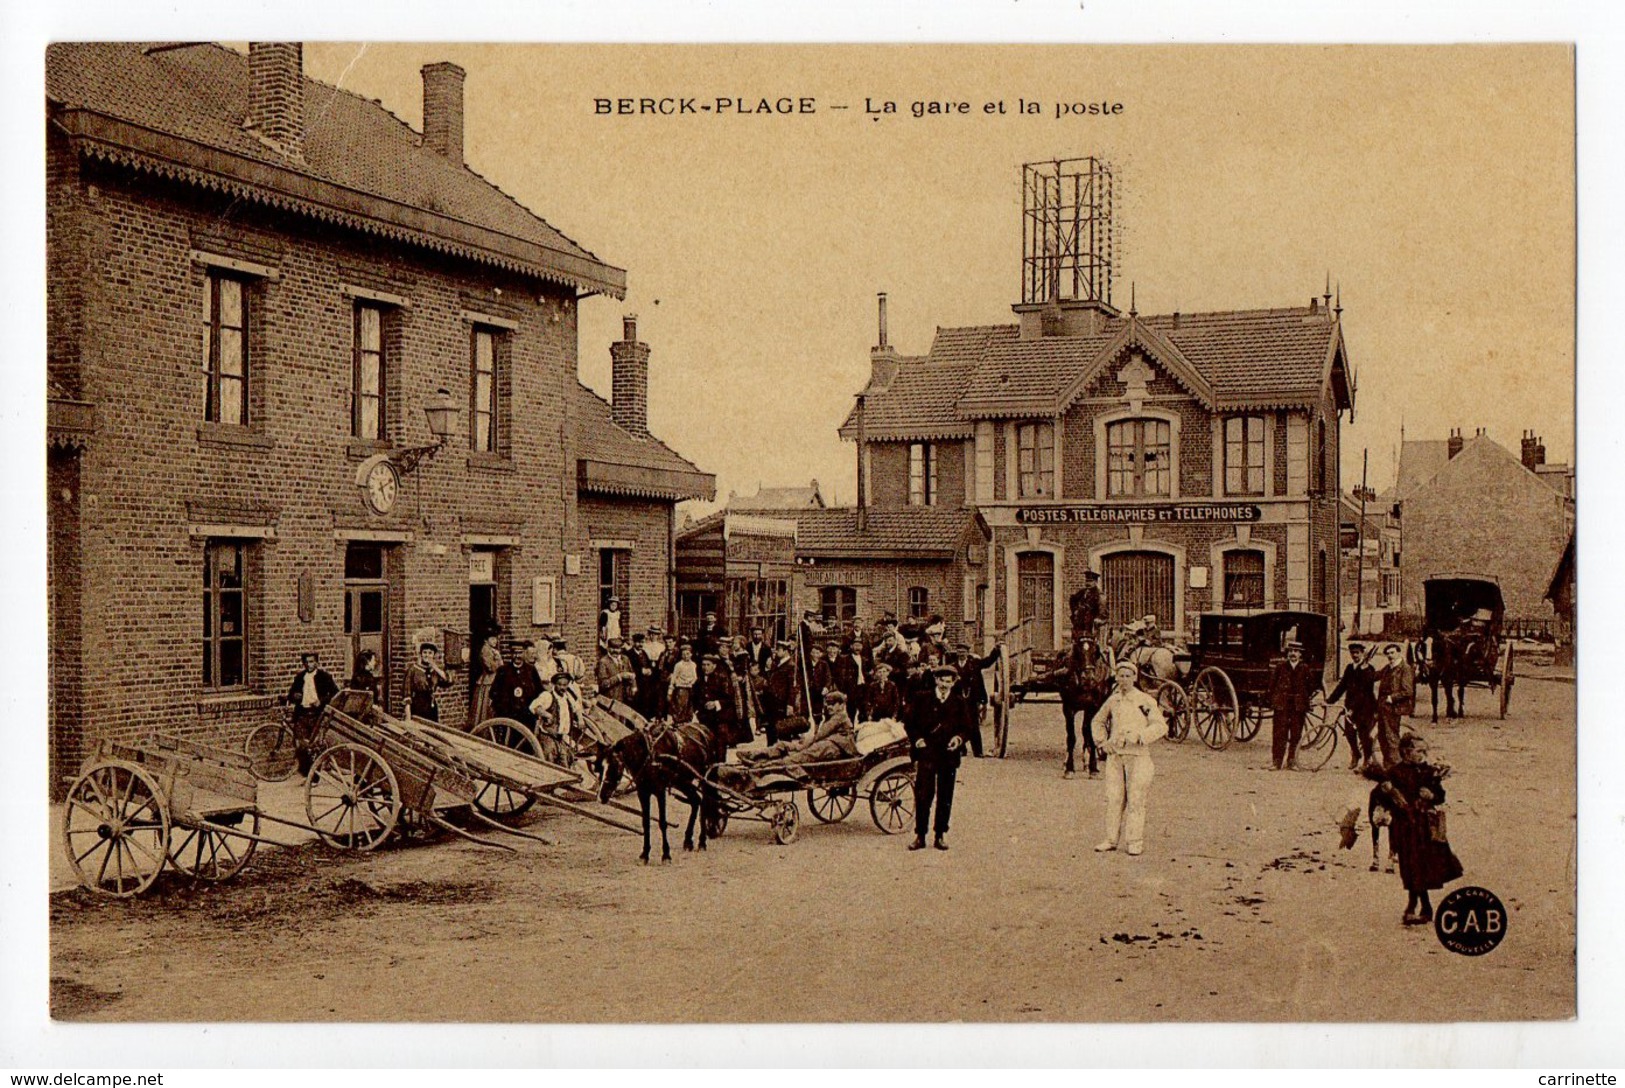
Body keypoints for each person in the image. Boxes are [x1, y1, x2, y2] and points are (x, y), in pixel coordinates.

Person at [1367, 733, 1462, 925]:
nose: (1423, 755)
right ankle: (1422, 906)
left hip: (1424, 826)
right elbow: (1380, 797)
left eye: (1425, 751)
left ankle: (1415, 906)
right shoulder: (1395, 773)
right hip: (1404, 827)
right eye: (1419, 751)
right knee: (1409, 866)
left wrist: (1431, 795)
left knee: (1421, 866)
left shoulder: (1428, 772)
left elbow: (1440, 796)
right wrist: (1386, 794)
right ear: (1406, 752)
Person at [1091, 660, 1166, 856]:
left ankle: (1134, 841)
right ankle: (1110, 839)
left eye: (1128, 676)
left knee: (1136, 799)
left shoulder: (1143, 701)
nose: (1124, 680)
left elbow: (1160, 725)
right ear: (1116, 678)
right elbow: (1097, 721)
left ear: (1135, 678)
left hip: (1138, 757)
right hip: (1116, 757)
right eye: (1121, 676)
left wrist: (1141, 736)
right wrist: (1102, 742)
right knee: (1114, 798)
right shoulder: (1113, 700)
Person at [903, 664, 977, 851]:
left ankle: (940, 834)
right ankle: (920, 835)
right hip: (927, 753)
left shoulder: (959, 702)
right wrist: (917, 739)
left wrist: (958, 739)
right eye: (941, 680)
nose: (944, 685)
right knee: (923, 795)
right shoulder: (922, 698)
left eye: (948, 681)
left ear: (953, 683)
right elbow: (910, 723)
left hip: (948, 755)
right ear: (936, 680)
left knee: (945, 796)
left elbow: (967, 727)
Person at [743, 689, 858, 765]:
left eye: (832, 704)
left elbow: (821, 734)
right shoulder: (833, 716)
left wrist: (803, 746)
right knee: (784, 745)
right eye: (827, 704)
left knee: (802, 755)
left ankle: (768, 764)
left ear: (841, 705)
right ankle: (755, 754)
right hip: (828, 745)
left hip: (837, 748)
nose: (829, 707)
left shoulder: (840, 716)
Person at [1328, 642, 1380, 771]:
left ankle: (1367, 759)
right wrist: (1330, 700)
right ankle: (1356, 754)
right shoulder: (1349, 668)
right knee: (1350, 733)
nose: (1355, 655)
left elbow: (1364, 691)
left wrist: (1352, 709)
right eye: (1352, 653)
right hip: (1350, 706)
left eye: (1357, 653)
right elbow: (1342, 685)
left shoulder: (1369, 669)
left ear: (1362, 653)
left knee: (1364, 735)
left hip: (1365, 707)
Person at [285, 652, 339, 775]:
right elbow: (291, 694)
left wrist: (321, 701)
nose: (309, 665)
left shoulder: (324, 677)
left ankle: (315, 773)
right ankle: (306, 771)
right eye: (306, 662)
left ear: (316, 663)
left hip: (317, 714)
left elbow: (335, 693)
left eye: (311, 662)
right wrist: (295, 696)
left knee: (315, 745)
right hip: (302, 714)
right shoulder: (300, 677)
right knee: (301, 745)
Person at [1268, 640, 1319, 770]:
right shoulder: (1281, 667)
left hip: (1298, 707)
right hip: (1282, 705)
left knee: (1296, 734)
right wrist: (1275, 700)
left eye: (1296, 651)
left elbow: (1311, 686)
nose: (1293, 654)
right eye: (1290, 651)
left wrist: (1303, 697)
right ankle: (1276, 762)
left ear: (1300, 654)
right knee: (1280, 734)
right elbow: (1272, 686)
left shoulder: (1305, 668)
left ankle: (1292, 761)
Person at [953, 641, 1003, 758]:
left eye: (963, 651)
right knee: (957, 724)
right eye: (959, 651)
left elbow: (988, 662)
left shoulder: (974, 663)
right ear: (957, 653)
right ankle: (961, 749)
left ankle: (978, 751)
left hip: (972, 699)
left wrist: (995, 650)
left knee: (974, 724)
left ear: (967, 652)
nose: (961, 654)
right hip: (958, 699)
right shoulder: (953, 666)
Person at [530, 671, 586, 764]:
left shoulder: (568, 697)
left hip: (561, 738)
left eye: (565, 685)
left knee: (565, 763)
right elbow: (535, 707)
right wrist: (547, 714)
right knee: (549, 762)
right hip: (548, 737)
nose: (563, 688)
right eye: (560, 685)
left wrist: (580, 719)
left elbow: (577, 708)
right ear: (554, 684)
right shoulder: (548, 696)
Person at [490, 639, 547, 729]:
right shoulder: (503, 671)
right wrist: (503, 709)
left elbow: (540, 691)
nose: (517, 656)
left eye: (520, 653)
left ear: (524, 653)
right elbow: (493, 693)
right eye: (514, 653)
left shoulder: (531, 670)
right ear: (511, 654)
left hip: (528, 716)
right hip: (509, 717)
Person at [1376, 643, 1416, 769]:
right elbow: (1375, 676)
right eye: (1387, 653)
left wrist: (1391, 698)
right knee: (1382, 737)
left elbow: (1408, 691)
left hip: (1394, 707)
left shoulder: (1405, 668)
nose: (1390, 656)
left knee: (1391, 737)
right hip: (1383, 707)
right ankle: (1388, 765)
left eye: (1392, 653)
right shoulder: (1388, 668)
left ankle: (1397, 766)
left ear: (1399, 653)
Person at [693, 653, 741, 745]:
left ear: (714, 666)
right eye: (703, 665)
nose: (705, 667)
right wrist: (698, 709)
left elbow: (730, 698)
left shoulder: (722, 679)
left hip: (721, 717)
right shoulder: (699, 680)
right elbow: (695, 697)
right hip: (705, 717)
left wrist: (716, 703)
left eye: (708, 665)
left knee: (720, 742)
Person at [760, 643, 799, 744]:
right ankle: (771, 749)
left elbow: (792, 687)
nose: (776, 652)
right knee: (772, 728)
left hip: (782, 701)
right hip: (773, 701)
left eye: (778, 650)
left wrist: (790, 704)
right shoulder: (777, 663)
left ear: (785, 651)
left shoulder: (791, 666)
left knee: (783, 729)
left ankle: (784, 750)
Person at [469, 621, 504, 727]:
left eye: (496, 638)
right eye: (492, 639)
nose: (495, 641)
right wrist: (498, 659)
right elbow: (491, 667)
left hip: (493, 680)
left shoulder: (492, 650)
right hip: (488, 681)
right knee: (484, 707)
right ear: (486, 640)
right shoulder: (485, 650)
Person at [405, 642, 451, 722]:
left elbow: (448, 681)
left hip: (432, 707)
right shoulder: (413, 670)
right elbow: (406, 693)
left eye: (430, 653)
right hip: (418, 706)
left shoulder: (434, 671)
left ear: (434, 655)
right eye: (425, 652)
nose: (427, 655)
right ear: (421, 654)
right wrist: (408, 717)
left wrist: (435, 667)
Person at [831, 637, 869, 719]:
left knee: (864, 710)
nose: (857, 648)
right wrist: (843, 690)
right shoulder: (845, 659)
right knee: (851, 711)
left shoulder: (864, 659)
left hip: (862, 687)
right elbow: (839, 676)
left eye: (859, 646)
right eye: (855, 645)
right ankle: (850, 729)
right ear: (851, 646)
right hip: (851, 689)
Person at [595, 636, 637, 706]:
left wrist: (634, 686)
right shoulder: (603, 662)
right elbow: (603, 684)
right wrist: (619, 677)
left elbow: (632, 674)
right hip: (610, 701)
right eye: (612, 648)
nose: (615, 651)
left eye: (617, 648)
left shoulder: (625, 659)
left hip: (625, 700)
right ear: (608, 648)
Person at [626, 631, 659, 719]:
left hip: (646, 684)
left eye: (642, 642)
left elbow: (648, 664)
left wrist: (650, 670)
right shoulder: (629, 654)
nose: (640, 644)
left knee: (646, 703)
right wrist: (641, 671)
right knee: (636, 705)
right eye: (638, 642)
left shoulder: (643, 653)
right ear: (633, 642)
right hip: (636, 683)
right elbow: (628, 668)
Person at [666, 642, 699, 723]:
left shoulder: (693, 665)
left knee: (689, 707)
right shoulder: (679, 665)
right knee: (680, 707)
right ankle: (679, 722)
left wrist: (691, 681)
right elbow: (673, 678)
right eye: (683, 654)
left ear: (691, 654)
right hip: (681, 689)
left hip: (690, 688)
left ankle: (688, 722)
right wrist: (670, 691)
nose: (686, 656)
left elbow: (695, 677)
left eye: (688, 654)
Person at [1069, 570, 1103, 639]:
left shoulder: (1099, 595)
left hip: (1091, 625)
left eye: (1090, 581)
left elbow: (1102, 611)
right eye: (1087, 581)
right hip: (1080, 624)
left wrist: (1097, 618)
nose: (1088, 583)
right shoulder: (1082, 592)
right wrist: (1075, 611)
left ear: (1095, 582)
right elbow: (1072, 599)